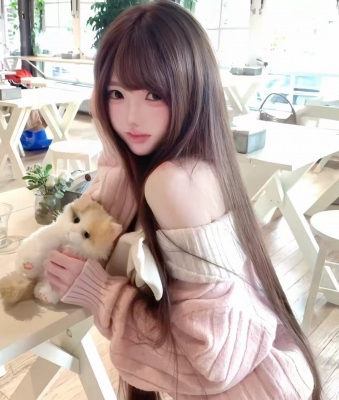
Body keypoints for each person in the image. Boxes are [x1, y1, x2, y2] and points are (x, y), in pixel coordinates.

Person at [43, 1, 321, 399]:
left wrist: (98, 292)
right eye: (116, 93)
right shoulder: (198, 158)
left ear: (191, 89)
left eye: (153, 94)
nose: (131, 117)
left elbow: (215, 361)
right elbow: (99, 219)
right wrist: (115, 150)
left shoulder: (174, 181)